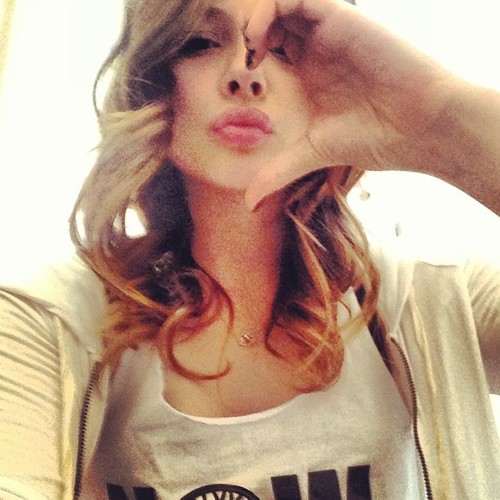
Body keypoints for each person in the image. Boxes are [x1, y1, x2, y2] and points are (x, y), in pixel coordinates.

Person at [0, 0, 499, 498]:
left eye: (285, 47)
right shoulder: (44, 322)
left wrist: (439, 113)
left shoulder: (438, 299)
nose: (245, 73)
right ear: (153, 81)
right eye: (200, 42)